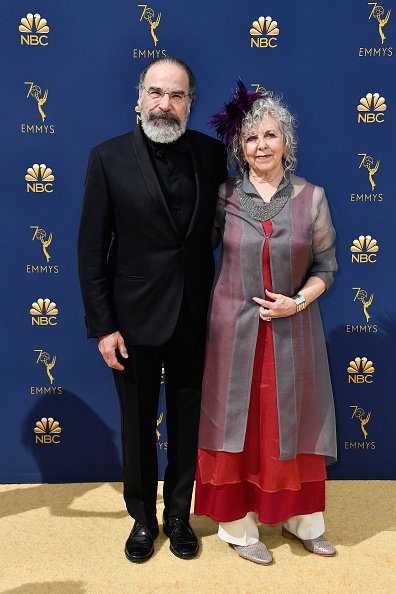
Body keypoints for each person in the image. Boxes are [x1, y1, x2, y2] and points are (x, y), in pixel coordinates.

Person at [78, 57, 227, 563]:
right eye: (157, 93)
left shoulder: (211, 155)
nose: (166, 104)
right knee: (137, 425)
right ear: (139, 97)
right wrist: (102, 327)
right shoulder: (108, 157)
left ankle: (179, 516)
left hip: (193, 315)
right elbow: (90, 249)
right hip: (132, 320)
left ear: (191, 103)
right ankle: (143, 519)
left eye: (177, 95)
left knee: (187, 423)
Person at [194, 82, 338, 565]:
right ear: (240, 147)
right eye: (251, 138)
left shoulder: (312, 198)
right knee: (234, 422)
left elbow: (326, 268)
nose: (261, 146)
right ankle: (237, 528)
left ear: (286, 142)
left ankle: (304, 523)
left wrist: (295, 303)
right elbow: (192, 252)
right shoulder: (223, 197)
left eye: (270, 136)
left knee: (290, 424)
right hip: (230, 330)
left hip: (293, 329)